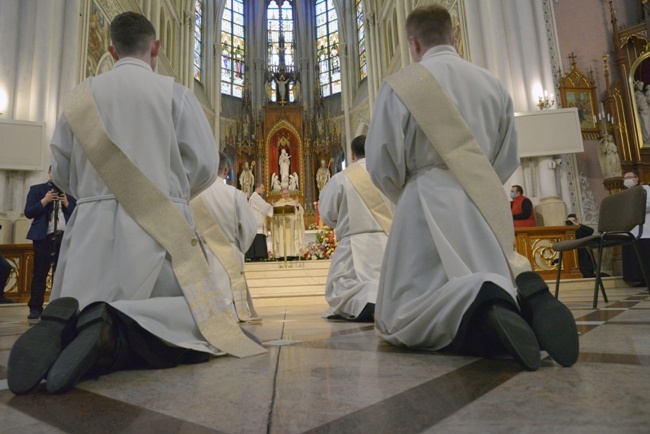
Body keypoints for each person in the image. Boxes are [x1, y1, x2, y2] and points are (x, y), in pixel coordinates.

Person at [8, 12, 262, 396]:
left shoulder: (79, 99)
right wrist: (170, 193)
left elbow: (60, 172)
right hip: (159, 234)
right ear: (156, 48)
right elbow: (207, 165)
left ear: (111, 50)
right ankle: (114, 329)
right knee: (193, 328)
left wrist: (95, 195)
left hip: (88, 237)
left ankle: (69, 325)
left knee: (84, 299)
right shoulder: (175, 93)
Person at [366, 5, 578, 371]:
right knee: (494, 268)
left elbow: (382, 161)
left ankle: (482, 298)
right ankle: (525, 295)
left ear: (413, 43)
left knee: (398, 315)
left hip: (425, 204)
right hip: (484, 204)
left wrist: (409, 191)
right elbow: (508, 154)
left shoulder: (400, 85)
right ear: (456, 35)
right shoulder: (491, 83)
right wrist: (479, 183)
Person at [319, 135, 394, 322]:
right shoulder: (388, 175)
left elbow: (327, 214)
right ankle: (383, 299)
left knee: (340, 288)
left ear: (352, 155)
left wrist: (342, 222)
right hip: (389, 243)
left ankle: (368, 298)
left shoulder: (341, 179)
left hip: (353, 246)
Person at [192, 152, 259, 321]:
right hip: (230, 255)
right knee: (229, 302)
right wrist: (237, 248)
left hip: (200, 256)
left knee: (205, 308)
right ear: (226, 170)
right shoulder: (235, 194)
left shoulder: (192, 195)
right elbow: (250, 228)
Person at [24, 167, 77, 320]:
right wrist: (45, 200)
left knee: (61, 274)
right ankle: (35, 307)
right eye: (54, 172)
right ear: (49, 173)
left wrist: (67, 202)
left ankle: (59, 306)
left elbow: (79, 213)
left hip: (64, 237)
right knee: (40, 273)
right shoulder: (36, 190)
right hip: (43, 237)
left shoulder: (70, 192)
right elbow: (28, 212)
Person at [621, 171, 650, 286]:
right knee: (635, 256)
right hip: (631, 229)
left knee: (645, 255)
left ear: (637, 179)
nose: (626, 180)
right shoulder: (625, 193)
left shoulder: (645, 189)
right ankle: (639, 279)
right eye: (624, 178)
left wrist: (632, 207)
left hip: (645, 228)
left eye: (629, 177)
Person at [271, 187, 305, 259]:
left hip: (291, 225)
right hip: (281, 226)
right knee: (282, 239)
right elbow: (273, 215)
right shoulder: (278, 204)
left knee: (292, 239)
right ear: (281, 194)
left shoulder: (293, 202)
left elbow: (300, 212)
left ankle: (293, 254)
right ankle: (282, 255)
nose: (285, 195)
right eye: (284, 194)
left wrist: (297, 205)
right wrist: (273, 207)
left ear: (289, 194)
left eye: (286, 193)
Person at [246, 182, 273, 261]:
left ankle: (257, 256)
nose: (264, 190)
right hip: (256, 222)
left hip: (256, 221)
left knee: (258, 239)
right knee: (258, 239)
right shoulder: (255, 197)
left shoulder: (255, 197)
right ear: (257, 187)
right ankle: (257, 256)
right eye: (262, 188)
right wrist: (273, 208)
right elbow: (264, 206)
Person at [564, 213, 596, 278]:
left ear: (576, 221)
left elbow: (591, 231)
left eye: (573, 221)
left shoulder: (580, 230)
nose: (571, 223)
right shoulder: (566, 232)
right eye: (569, 221)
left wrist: (577, 225)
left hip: (581, 253)